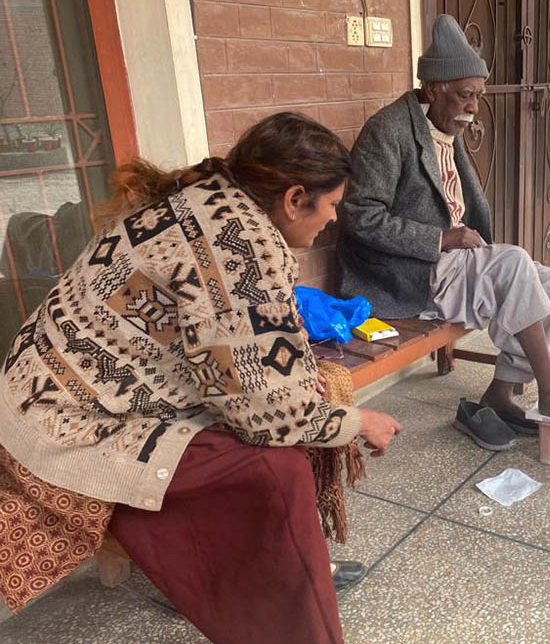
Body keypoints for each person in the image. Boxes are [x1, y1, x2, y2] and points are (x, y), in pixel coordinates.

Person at [0, 112, 402, 643]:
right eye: (332, 206)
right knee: (274, 473)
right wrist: (358, 423)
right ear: (294, 198)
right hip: (60, 423)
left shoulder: (209, 198)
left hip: (36, 391)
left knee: (317, 391)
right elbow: (265, 413)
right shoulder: (241, 247)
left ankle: (259, 578)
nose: (332, 220)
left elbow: (242, 361)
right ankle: (293, 621)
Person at [336, 14, 550, 450]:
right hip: (406, 272)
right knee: (515, 263)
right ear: (432, 89)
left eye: (478, 96)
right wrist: (442, 239)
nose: (473, 107)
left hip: (450, 262)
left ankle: (499, 394)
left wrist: (473, 244)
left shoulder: (444, 124)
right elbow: (359, 216)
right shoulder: (387, 131)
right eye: (466, 95)